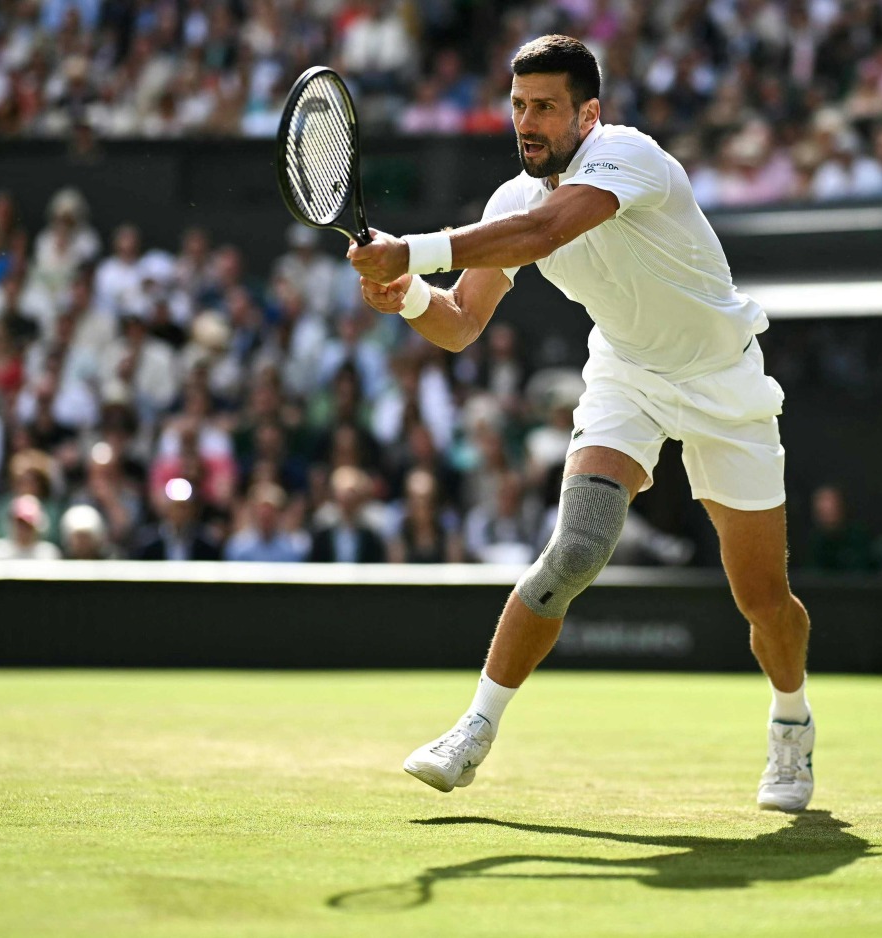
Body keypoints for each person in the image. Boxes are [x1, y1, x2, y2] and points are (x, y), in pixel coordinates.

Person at [347, 35, 814, 812]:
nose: (526, 122)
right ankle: (473, 729)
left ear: (588, 114)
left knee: (765, 601)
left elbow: (547, 234)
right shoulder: (508, 201)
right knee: (577, 549)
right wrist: (412, 298)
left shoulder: (629, 155)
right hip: (627, 377)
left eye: (546, 108)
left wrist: (413, 253)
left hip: (725, 380)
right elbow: (462, 322)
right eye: (518, 106)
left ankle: (791, 720)